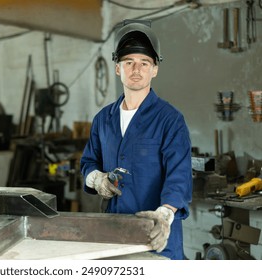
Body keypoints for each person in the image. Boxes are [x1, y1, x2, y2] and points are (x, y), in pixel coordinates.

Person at [80, 19, 192, 260]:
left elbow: (179, 176)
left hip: (155, 238)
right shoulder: (103, 119)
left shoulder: (170, 120)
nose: (136, 70)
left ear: (155, 69)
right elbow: (88, 162)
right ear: (118, 68)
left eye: (144, 63)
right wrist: (96, 178)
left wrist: (164, 215)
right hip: (113, 234)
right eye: (129, 62)